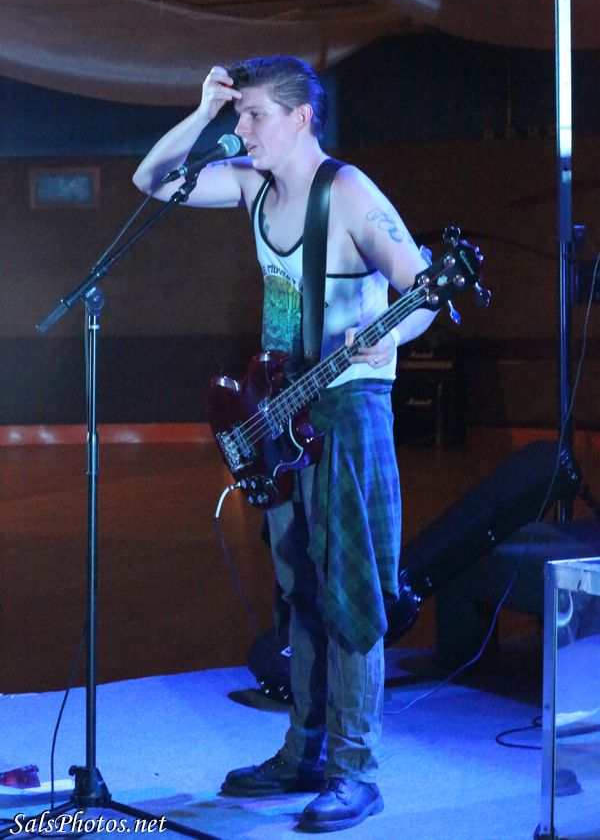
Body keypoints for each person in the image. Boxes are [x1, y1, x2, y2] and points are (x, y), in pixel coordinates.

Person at [133, 55, 436, 833]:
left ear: (301, 117)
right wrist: (203, 113)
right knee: (297, 589)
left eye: (255, 115)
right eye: (240, 116)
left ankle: (356, 770)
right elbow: (151, 181)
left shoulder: (350, 192)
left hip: (349, 409)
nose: (244, 129)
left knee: (351, 593)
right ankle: (303, 751)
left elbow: (424, 288)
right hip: (279, 412)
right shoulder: (251, 185)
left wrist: (392, 334)